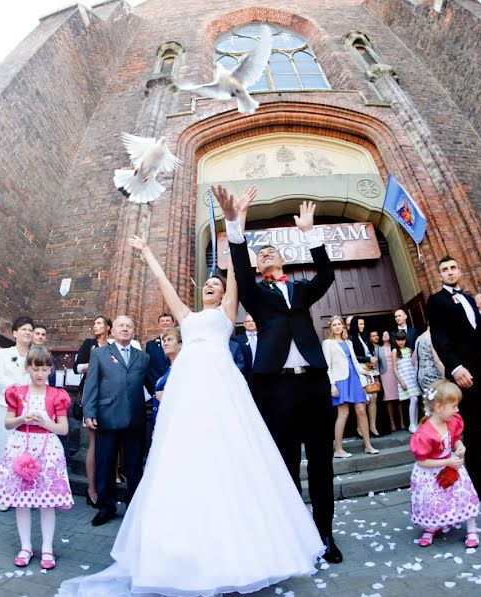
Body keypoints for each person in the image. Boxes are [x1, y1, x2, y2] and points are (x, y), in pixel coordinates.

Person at [59, 224, 324, 596]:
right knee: (185, 456)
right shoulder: (187, 316)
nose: (211, 287)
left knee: (231, 455)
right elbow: (166, 286)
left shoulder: (228, 312)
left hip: (222, 389)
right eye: (208, 285)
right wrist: (148, 253)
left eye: (216, 285)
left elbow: (238, 276)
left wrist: (234, 238)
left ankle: (245, 547)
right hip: (189, 393)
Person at [217, 185, 342, 562]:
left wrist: (310, 234)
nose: (267, 253)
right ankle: (293, 538)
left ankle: (325, 537)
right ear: (258, 268)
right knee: (286, 465)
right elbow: (238, 266)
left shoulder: (302, 291)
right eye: (262, 253)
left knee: (321, 465)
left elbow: (327, 276)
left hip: (314, 384)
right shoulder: (257, 295)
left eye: (272, 250)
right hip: (276, 388)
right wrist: (234, 223)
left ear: (284, 262)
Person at [426, 256, 481, 502]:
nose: (450, 272)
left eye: (453, 268)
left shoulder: (472, 300)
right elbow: (440, 338)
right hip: (465, 374)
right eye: (445, 270)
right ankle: (477, 482)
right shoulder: (437, 301)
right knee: (473, 428)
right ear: (440, 275)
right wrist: (455, 368)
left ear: (459, 270)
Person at [0, 346, 73, 571]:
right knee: (22, 501)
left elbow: (63, 428)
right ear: (28, 368)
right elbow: (7, 423)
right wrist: (22, 418)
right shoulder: (17, 393)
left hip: (47, 450)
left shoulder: (56, 395)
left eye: (45, 369)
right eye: (36, 368)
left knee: (46, 502)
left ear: (50, 370)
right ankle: (26, 546)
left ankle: (47, 548)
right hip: (21, 447)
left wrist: (44, 423)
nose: (40, 374)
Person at [81, 315, 151, 527]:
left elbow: (152, 384)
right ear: (113, 331)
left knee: (134, 467)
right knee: (106, 464)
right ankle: (106, 507)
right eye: (121, 325)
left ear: (133, 332)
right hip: (107, 416)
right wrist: (89, 412)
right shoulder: (100, 354)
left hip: (135, 419)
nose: (125, 329)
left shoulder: (143, 358)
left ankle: (133, 507)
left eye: (129, 326)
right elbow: (91, 385)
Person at [409, 380, 480, 548]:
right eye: (454, 406)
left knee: (465, 495)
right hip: (430, 472)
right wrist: (447, 461)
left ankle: (472, 528)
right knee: (432, 501)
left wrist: (459, 446)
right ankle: (432, 525)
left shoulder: (452, 421)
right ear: (439, 407)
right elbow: (422, 461)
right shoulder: (424, 434)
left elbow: (455, 439)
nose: (457, 410)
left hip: (452, 467)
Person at [0, 316, 34, 508]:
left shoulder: (36, 356)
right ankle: (2, 492)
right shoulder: (3, 353)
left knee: (21, 451)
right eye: (23, 329)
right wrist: (16, 389)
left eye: (30, 330)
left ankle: (17, 490)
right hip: (2, 405)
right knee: (0, 450)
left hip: (26, 410)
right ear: (15, 333)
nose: (27, 332)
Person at [323, 316, 378, 458]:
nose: (337, 327)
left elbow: (353, 361)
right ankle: (339, 449)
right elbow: (327, 366)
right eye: (334, 325)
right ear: (331, 328)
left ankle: (368, 445)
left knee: (361, 410)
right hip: (340, 380)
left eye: (339, 324)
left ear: (343, 326)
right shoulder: (327, 343)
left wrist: (364, 372)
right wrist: (332, 384)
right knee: (344, 413)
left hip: (354, 378)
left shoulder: (348, 342)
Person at [73, 315, 111, 508]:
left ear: (108, 327)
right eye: (94, 323)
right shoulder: (89, 344)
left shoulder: (112, 346)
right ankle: (91, 489)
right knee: (94, 442)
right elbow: (76, 368)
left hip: (111, 399)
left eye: (99, 323)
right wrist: (96, 361)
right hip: (92, 395)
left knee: (109, 444)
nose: (95, 326)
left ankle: (105, 487)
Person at [152, 326, 181, 430]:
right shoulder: (170, 369)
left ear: (180, 344)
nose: (166, 343)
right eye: (164, 341)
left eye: (170, 339)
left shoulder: (184, 367)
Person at [392, 329, 421, 433]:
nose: (400, 342)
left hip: (412, 377)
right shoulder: (395, 351)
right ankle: (411, 424)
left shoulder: (409, 349)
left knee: (416, 400)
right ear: (395, 340)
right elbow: (394, 368)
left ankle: (415, 424)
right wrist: (401, 381)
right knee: (413, 399)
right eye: (398, 340)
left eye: (402, 340)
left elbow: (413, 363)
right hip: (404, 378)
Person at [377, 331, 401, 432]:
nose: (385, 335)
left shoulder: (395, 346)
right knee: (389, 399)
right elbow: (377, 364)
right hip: (385, 375)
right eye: (383, 334)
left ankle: (402, 422)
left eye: (387, 334)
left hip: (396, 372)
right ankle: (392, 424)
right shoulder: (379, 349)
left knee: (400, 397)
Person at [413, 326, 444, 396]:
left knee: (429, 403)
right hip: (432, 376)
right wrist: (446, 377)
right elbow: (437, 361)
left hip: (419, 376)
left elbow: (413, 360)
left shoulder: (419, 338)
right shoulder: (432, 336)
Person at [144, 313, 175, 382]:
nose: (165, 323)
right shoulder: (150, 345)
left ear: (173, 323)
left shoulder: (180, 343)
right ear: (159, 325)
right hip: (157, 387)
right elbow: (149, 368)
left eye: (167, 320)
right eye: (162, 321)